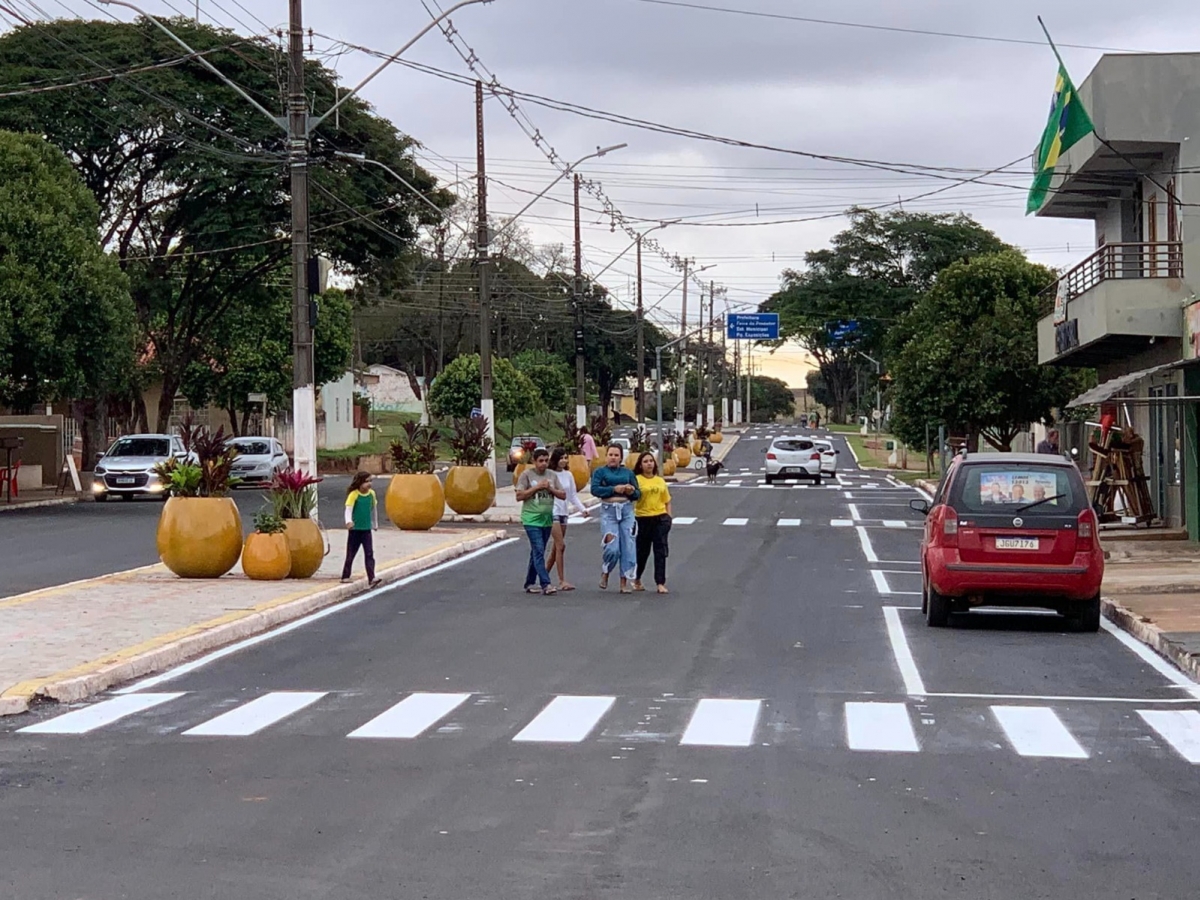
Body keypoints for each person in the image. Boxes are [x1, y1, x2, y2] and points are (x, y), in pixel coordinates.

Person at [591, 443, 641, 593]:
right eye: (610, 455)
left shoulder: (628, 473)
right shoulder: (600, 472)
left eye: (616, 455)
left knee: (628, 547)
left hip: (626, 511)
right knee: (612, 547)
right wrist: (614, 489)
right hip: (609, 511)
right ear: (606, 456)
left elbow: (638, 493)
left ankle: (623, 582)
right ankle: (606, 571)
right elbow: (595, 489)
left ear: (621, 457)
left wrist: (630, 491)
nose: (613, 458)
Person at [516, 448, 565, 595]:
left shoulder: (552, 476)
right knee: (538, 550)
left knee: (538, 551)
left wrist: (550, 489)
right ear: (534, 461)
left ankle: (529, 582)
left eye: (546, 460)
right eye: (540, 461)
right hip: (531, 519)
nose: (543, 464)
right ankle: (546, 583)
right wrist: (537, 487)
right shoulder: (527, 475)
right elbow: (519, 496)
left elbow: (562, 494)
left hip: (547, 519)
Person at [545, 447, 589, 591]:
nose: (563, 461)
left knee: (556, 549)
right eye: (561, 458)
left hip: (564, 512)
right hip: (552, 512)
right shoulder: (549, 474)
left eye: (565, 458)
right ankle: (562, 580)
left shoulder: (568, 475)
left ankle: (543, 576)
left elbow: (572, 495)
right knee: (561, 545)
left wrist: (582, 509)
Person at [633, 451, 672, 594]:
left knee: (660, 551)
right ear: (640, 465)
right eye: (645, 461)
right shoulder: (636, 480)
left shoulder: (660, 480)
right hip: (643, 519)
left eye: (651, 461)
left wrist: (668, 518)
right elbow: (632, 500)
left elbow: (667, 500)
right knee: (642, 552)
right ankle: (636, 578)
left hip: (660, 518)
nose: (649, 463)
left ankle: (660, 582)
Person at [341, 472, 380, 587]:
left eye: (370, 481)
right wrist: (348, 521)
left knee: (369, 553)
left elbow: (374, 509)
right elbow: (348, 509)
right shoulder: (354, 494)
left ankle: (371, 578)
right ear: (360, 482)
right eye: (366, 481)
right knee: (351, 553)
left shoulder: (372, 494)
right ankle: (345, 575)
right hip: (355, 530)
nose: (369, 484)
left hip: (366, 529)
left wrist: (375, 523)